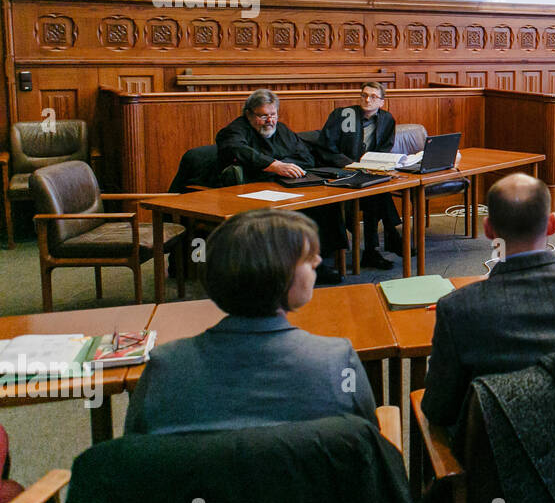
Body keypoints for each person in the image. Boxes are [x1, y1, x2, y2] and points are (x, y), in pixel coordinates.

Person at [124, 210, 377, 435]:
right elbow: (366, 441)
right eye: (307, 257)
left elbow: (138, 450)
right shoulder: (337, 361)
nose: (319, 261)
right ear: (279, 275)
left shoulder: (164, 366)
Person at [422, 173, 555, 436]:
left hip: (497, 458)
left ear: (488, 229)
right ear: (552, 224)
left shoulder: (458, 308)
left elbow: (439, 410)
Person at [215, 89, 346, 283]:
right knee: (299, 210)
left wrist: (285, 165)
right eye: (263, 116)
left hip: (288, 185)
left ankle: (318, 261)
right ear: (249, 114)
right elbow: (235, 149)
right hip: (255, 189)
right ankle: (292, 266)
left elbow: (306, 158)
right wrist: (274, 165)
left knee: (325, 202)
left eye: (273, 114)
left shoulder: (282, 130)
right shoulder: (236, 130)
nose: (270, 121)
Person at [319, 82, 400, 270]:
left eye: (373, 96)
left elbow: (385, 148)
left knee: (377, 192)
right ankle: (390, 237)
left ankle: (374, 249)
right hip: (341, 171)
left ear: (382, 102)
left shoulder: (387, 119)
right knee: (377, 194)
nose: (367, 99)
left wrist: (376, 165)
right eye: (364, 95)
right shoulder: (344, 115)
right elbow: (326, 146)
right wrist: (348, 163)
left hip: (368, 172)